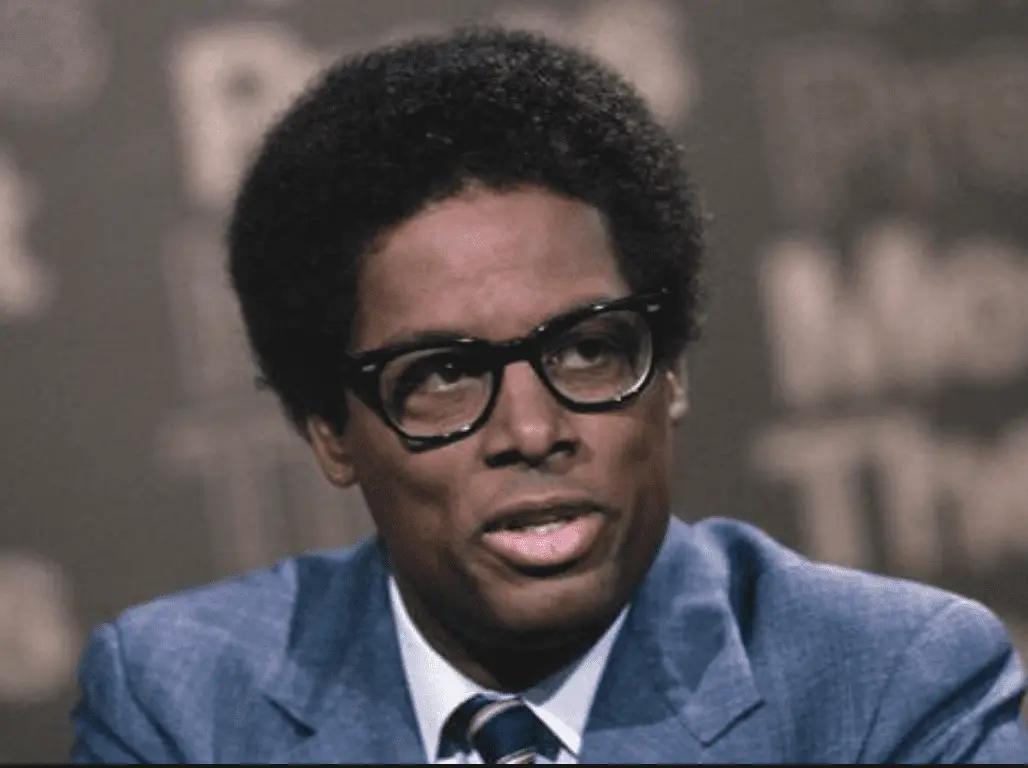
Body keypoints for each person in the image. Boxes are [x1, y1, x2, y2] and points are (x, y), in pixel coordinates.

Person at [69, 26, 1028, 764]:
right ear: (330, 430)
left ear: (672, 371)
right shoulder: (181, 707)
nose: (532, 430)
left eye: (586, 351)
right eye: (443, 375)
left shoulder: (893, 687)